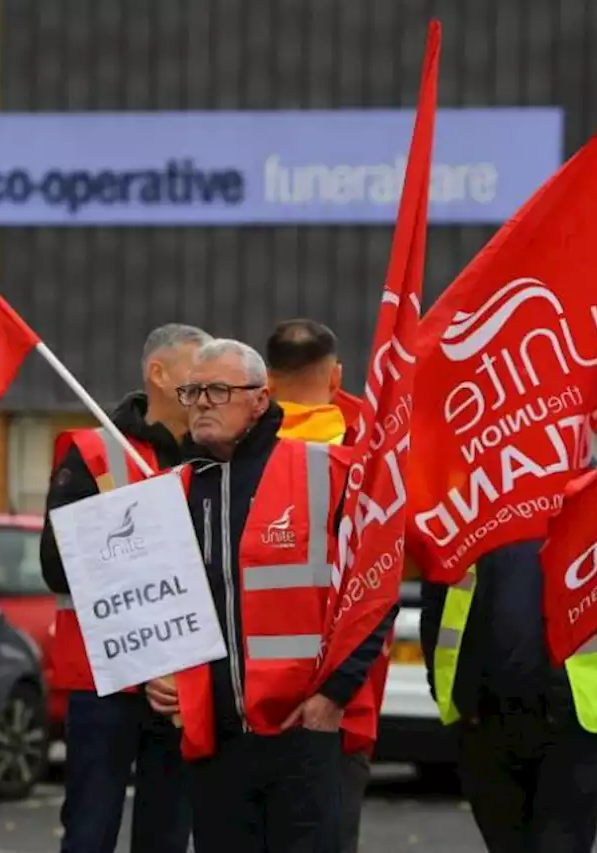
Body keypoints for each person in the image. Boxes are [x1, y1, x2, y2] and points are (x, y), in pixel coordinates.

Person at [145, 339, 395, 853]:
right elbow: (149, 600)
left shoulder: (329, 471)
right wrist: (154, 672)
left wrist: (334, 697)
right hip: (214, 740)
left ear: (260, 400)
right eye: (192, 392)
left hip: (303, 732)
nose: (201, 403)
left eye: (218, 390)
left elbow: (376, 592)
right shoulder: (173, 490)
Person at [40, 323, 211, 853]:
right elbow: (57, 567)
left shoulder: (219, 460)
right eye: (196, 376)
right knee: (90, 830)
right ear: (158, 374)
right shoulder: (95, 453)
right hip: (105, 680)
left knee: (167, 835)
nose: (206, 391)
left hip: (185, 684)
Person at [264, 318, 386, 853]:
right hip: (337, 709)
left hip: (242, 708)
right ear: (336, 377)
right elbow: (380, 584)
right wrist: (337, 695)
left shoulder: (224, 457)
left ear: (265, 382)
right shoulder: (374, 460)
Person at [421, 540, 597, 853]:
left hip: (571, 714)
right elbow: (435, 599)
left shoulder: (593, 503)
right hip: (485, 717)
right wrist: (447, 691)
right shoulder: (472, 504)